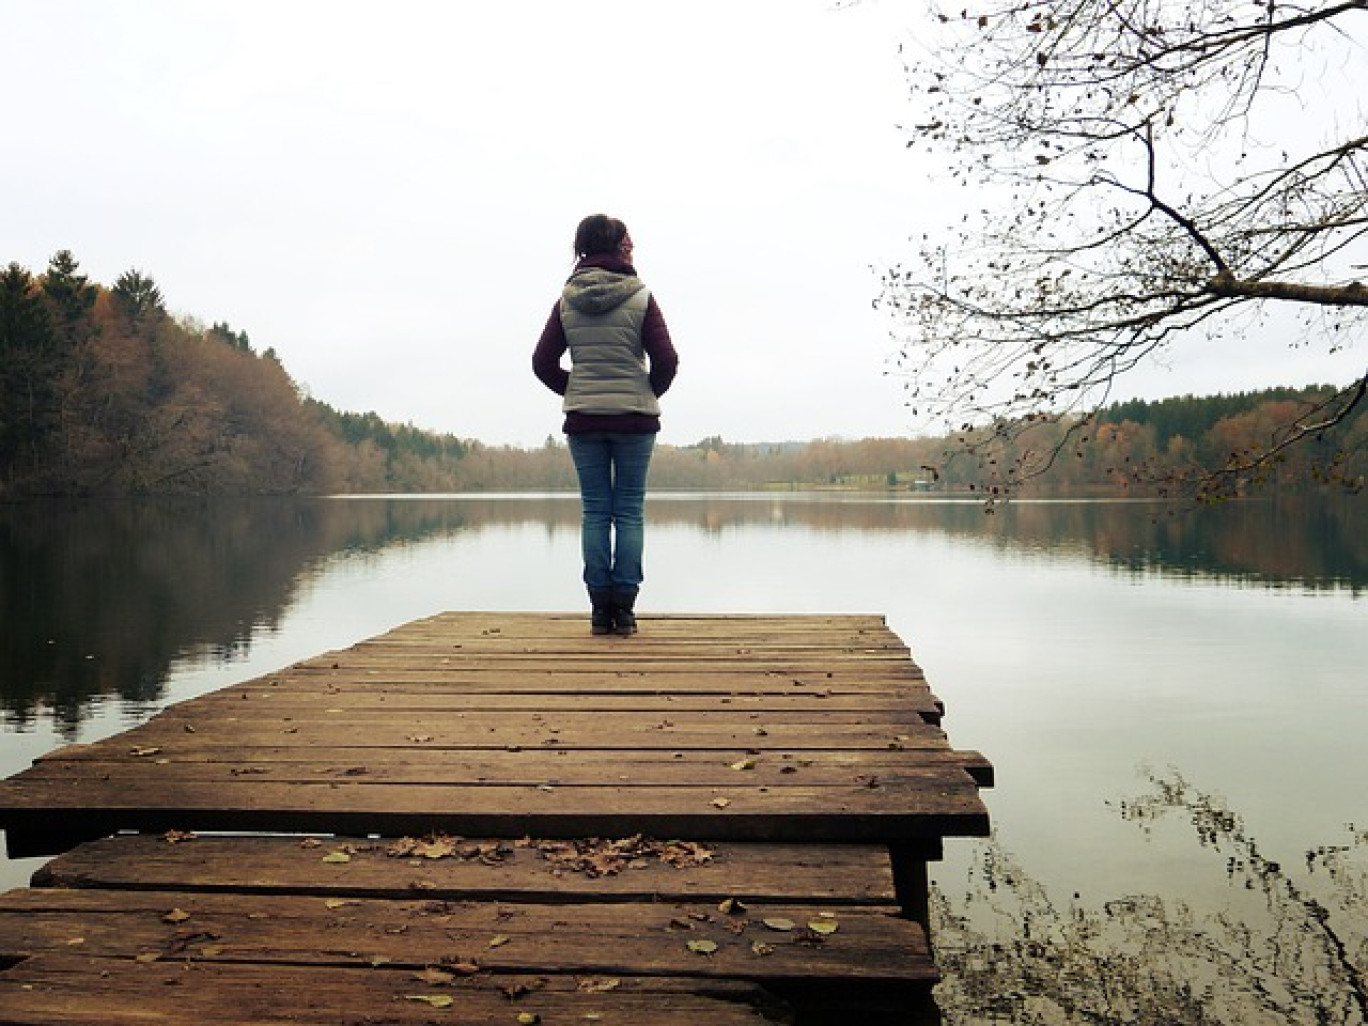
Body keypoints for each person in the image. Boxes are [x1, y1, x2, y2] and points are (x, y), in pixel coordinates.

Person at [533, 214, 679, 636]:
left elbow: (542, 364)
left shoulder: (566, 300)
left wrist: (576, 390)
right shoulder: (641, 296)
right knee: (629, 510)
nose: (633, 244)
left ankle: (600, 612)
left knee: (596, 511)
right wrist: (644, 393)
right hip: (636, 420)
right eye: (627, 239)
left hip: (584, 421)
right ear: (615, 246)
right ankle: (626, 611)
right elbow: (667, 360)